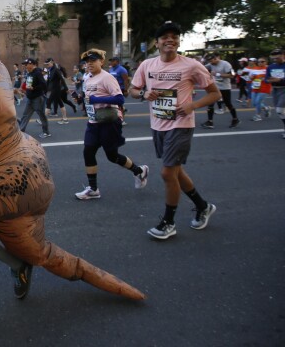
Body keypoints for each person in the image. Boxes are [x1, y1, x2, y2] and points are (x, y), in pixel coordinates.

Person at [129, 21, 221, 240]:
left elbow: (214, 94)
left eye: (175, 36)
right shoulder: (147, 65)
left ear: (179, 41)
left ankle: (168, 222)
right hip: (158, 124)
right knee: (176, 171)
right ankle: (203, 206)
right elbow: (132, 90)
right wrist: (143, 95)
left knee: (167, 172)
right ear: (157, 42)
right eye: (165, 37)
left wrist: (192, 105)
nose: (170, 39)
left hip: (181, 125)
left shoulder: (191, 65)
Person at [74, 49, 149, 200]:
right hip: (94, 121)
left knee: (112, 156)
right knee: (88, 151)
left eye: (93, 61)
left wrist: (96, 100)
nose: (89, 64)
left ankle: (138, 170)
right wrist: (80, 97)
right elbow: (90, 95)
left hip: (109, 122)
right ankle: (93, 189)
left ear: (101, 62)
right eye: (87, 61)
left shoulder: (107, 78)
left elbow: (120, 99)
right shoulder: (87, 77)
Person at [201, 53, 240, 129]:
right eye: (209, 61)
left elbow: (232, 75)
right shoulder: (210, 64)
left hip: (225, 87)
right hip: (215, 88)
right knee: (210, 104)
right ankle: (210, 121)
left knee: (228, 104)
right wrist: (202, 60)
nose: (211, 62)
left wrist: (218, 74)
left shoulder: (226, 64)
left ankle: (235, 119)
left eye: (211, 60)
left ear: (216, 58)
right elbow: (201, 67)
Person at [18, 58, 50, 139]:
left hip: (37, 98)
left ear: (32, 64)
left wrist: (34, 88)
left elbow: (44, 85)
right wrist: (23, 88)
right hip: (30, 98)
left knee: (41, 115)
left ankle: (46, 132)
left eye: (26, 64)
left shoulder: (38, 73)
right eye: (24, 65)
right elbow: (28, 83)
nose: (25, 66)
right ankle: (21, 131)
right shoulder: (30, 73)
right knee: (25, 115)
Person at [265, 48, 285, 138]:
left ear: (283, 55)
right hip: (275, 89)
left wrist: (280, 79)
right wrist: (268, 80)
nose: (275, 60)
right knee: (280, 111)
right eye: (274, 58)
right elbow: (266, 78)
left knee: (279, 110)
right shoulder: (271, 67)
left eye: (277, 57)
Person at [44, 58, 69, 123]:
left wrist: (66, 88)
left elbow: (62, 79)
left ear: (52, 62)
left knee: (49, 102)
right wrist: (45, 90)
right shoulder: (49, 70)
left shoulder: (56, 70)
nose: (47, 65)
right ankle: (65, 118)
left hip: (57, 89)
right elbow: (48, 81)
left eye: (48, 64)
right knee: (60, 103)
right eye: (46, 64)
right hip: (53, 89)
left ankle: (43, 120)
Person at [108, 57, 130, 123]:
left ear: (117, 61)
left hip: (120, 89)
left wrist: (126, 90)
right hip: (112, 89)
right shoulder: (111, 69)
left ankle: (122, 119)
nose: (110, 62)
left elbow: (126, 80)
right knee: (114, 104)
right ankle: (122, 111)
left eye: (112, 61)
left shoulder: (122, 70)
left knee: (119, 105)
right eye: (110, 61)